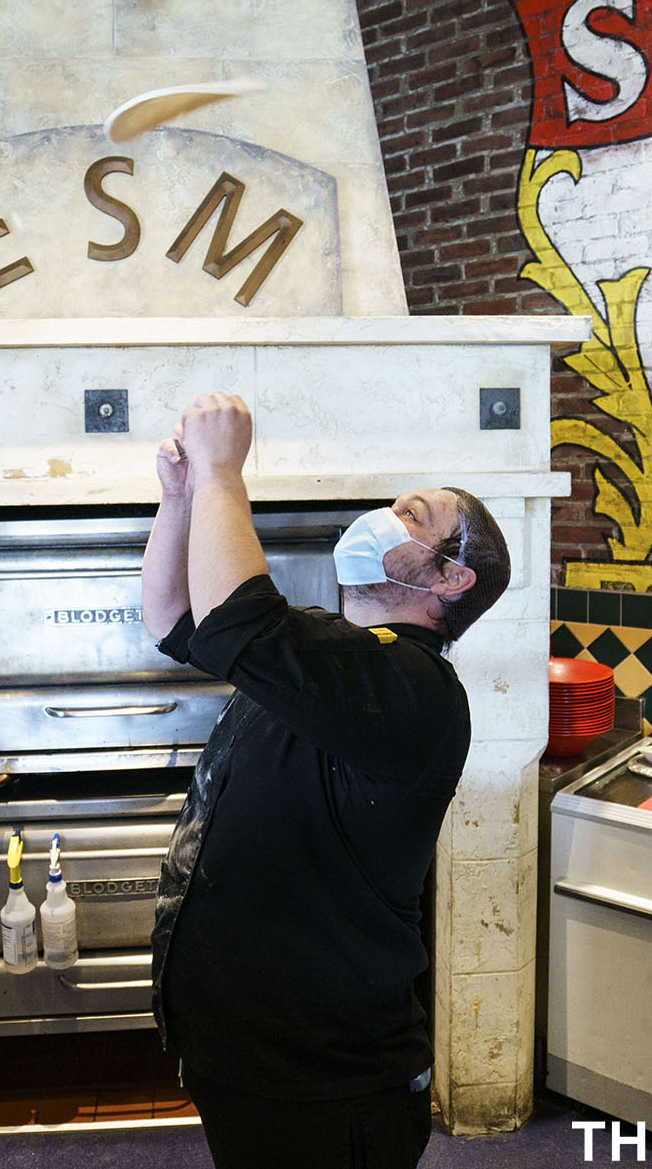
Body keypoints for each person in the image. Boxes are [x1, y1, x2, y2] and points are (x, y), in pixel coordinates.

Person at [141, 391, 511, 1169]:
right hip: (246, 1053)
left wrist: (222, 474)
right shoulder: (330, 650)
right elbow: (177, 620)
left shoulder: (415, 688)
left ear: (451, 581)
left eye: (416, 518)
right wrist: (181, 498)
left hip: (326, 1080)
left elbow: (239, 620)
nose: (388, 514)